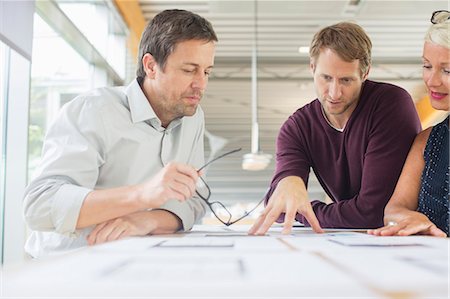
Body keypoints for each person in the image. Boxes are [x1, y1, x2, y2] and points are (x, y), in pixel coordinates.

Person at [23, 9, 218, 258]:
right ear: (151, 66)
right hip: (64, 268)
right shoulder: (93, 110)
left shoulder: (192, 117)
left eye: (207, 71)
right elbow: (39, 206)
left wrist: (146, 221)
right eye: (189, 70)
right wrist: (141, 195)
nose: (201, 84)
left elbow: (196, 200)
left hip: (133, 265)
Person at [249, 22, 422, 235]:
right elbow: (278, 205)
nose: (334, 93)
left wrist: (306, 211)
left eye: (346, 80)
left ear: (365, 73)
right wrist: (289, 182)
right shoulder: (297, 128)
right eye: (326, 78)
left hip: (405, 237)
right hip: (355, 239)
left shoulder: (390, 105)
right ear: (312, 68)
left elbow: (375, 212)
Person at [368, 10, 450, 237]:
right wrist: (408, 217)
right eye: (426, 65)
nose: (432, 81)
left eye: (447, 70)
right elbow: (394, 209)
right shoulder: (427, 141)